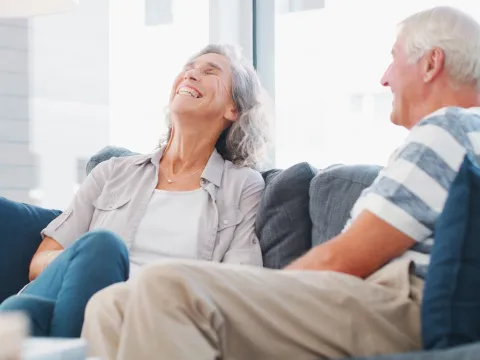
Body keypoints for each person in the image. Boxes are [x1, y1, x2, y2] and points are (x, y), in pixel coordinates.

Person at [81, 6, 480, 360]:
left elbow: (344, 259)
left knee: (168, 288)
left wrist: (255, 297)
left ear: (430, 64)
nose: (384, 78)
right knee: (111, 304)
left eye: (393, 59)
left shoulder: (447, 129)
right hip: (370, 297)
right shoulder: (451, 136)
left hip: (395, 302)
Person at [0, 44, 271, 338]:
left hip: (147, 320)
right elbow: (39, 264)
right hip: (66, 296)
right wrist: (92, 267)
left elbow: (239, 282)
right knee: (101, 248)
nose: (191, 74)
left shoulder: (243, 186)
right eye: (189, 68)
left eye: (210, 71)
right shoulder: (112, 172)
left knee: (25, 316)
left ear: (233, 109)